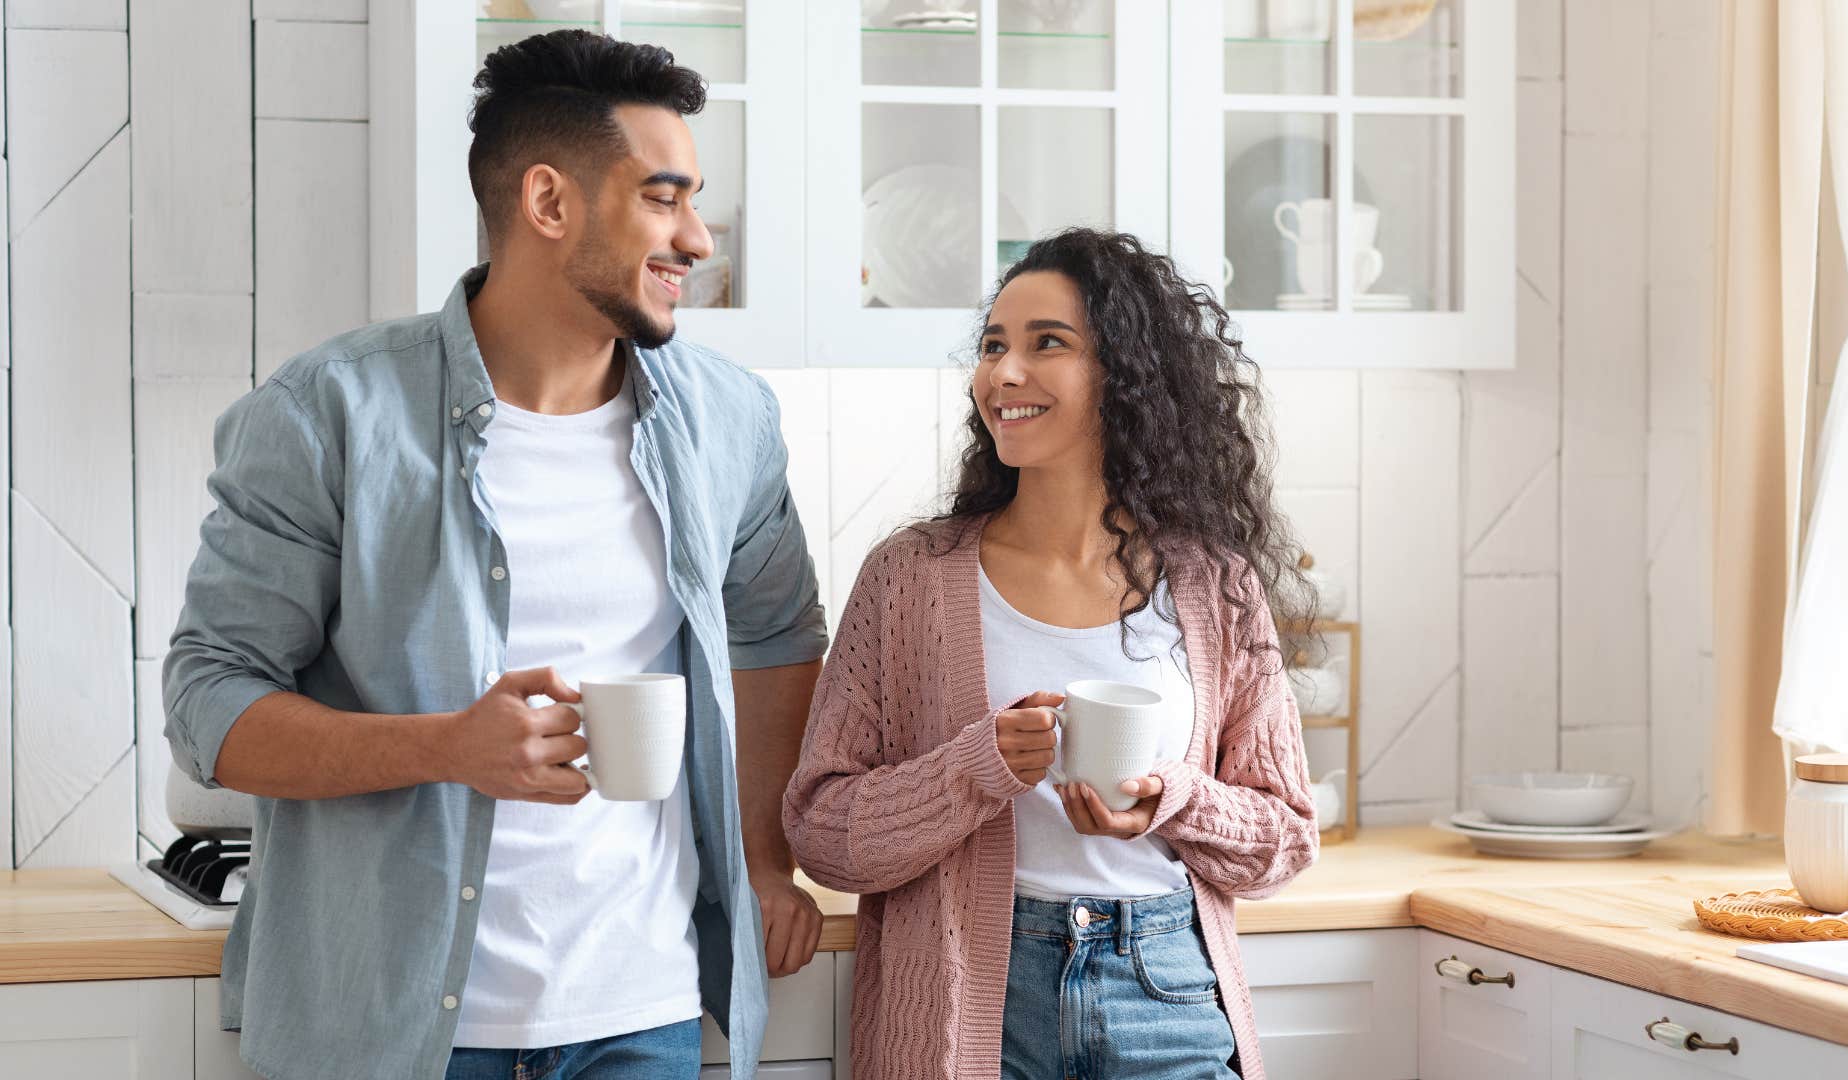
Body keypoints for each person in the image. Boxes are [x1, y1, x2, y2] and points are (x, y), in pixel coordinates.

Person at [164, 30, 825, 1080]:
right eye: (663, 199)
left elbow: (777, 636)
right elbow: (209, 703)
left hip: (641, 1014)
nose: (697, 238)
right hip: (391, 1030)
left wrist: (763, 859)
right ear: (549, 202)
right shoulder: (331, 414)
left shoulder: (728, 420)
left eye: (695, 202)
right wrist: (446, 748)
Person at [783, 227, 1320, 1079]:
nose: (1004, 373)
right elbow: (821, 830)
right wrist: (974, 768)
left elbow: (1284, 837)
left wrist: (1172, 800)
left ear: (1127, 375)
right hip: (967, 1000)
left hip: (1165, 993)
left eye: (1047, 344)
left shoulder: (1214, 584)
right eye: (993, 345)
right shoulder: (910, 577)